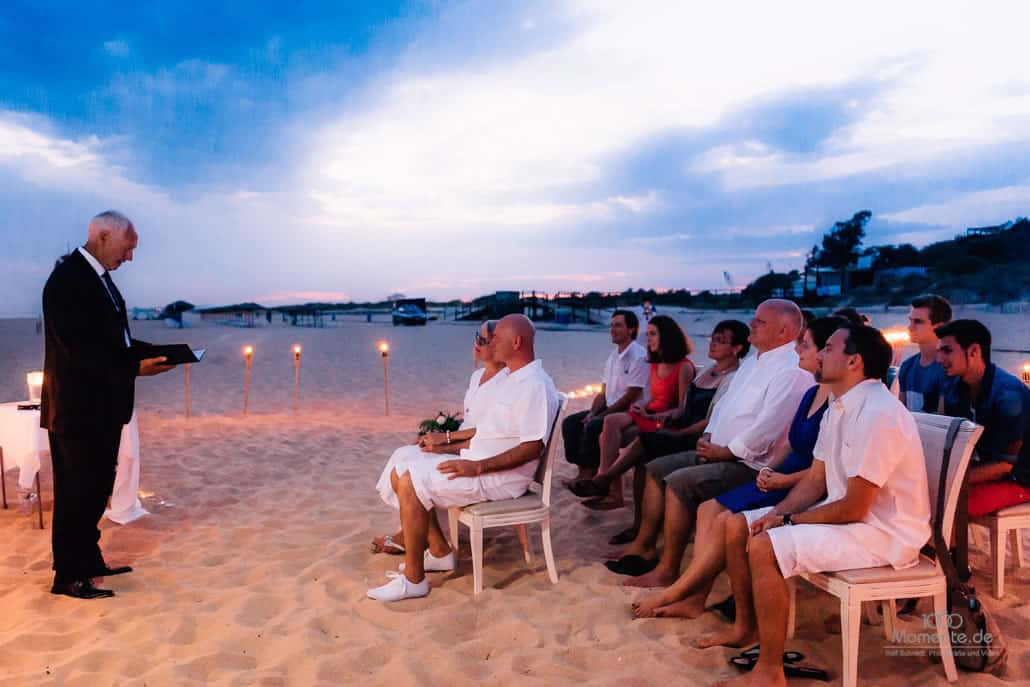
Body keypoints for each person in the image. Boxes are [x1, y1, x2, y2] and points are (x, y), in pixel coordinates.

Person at [704, 325, 930, 687]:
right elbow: (815, 481)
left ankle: (770, 671)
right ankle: (745, 627)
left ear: (854, 361)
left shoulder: (877, 413)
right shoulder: (839, 407)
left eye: (827, 348)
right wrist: (776, 515)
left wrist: (790, 521)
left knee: (765, 546)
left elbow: (855, 506)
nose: (819, 355)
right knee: (740, 525)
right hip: (853, 520)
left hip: (884, 532)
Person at [630, 317, 842, 618]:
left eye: (804, 344)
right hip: (774, 471)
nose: (798, 350)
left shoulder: (815, 390)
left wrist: (770, 473)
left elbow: (821, 467)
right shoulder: (809, 392)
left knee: (717, 511)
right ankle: (693, 596)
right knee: (706, 508)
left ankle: (682, 590)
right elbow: (785, 443)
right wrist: (767, 468)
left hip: (792, 481)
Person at [606, 300, 811, 581]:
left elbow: (767, 428)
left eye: (760, 322)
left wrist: (725, 452)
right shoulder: (753, 362)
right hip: (718, 449)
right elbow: (725, 405)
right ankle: (643, 548)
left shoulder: (790, 371)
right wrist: (708, 436)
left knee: (679, 482)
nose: (752, 324)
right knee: (655, 468)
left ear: (784, 330)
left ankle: (668, 569)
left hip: (750, 463)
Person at [368, 314, 559, 602]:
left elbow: (532, 448)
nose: (491, 343)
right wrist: (451, 444)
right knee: (404, 460)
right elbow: (489, 431)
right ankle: (440, 552)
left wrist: (476, 466)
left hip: (500, 476)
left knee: (410, 480)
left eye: (496, 338)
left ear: (517, 342)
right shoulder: (513, 379)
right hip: (480, 459)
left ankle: (414, 580)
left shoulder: (534, 385)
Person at [41, 211, 175, 600]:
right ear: (102, 235)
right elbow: (79, 348)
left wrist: (159, 354)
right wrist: (133, 366)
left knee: (96, 489)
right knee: (75, 494)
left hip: (101, 408)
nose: (130, 257)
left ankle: (89, 560)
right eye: (127, 247)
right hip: (77, 408)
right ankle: (68, 575)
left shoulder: (101, 281)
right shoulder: (67, 280)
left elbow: (116, 340)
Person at [569, 320, 748, 533]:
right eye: (712, 338)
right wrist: (661, 418)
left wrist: (679, 431)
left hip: (696, 436)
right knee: (637, 442)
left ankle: (606, 482)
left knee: (644, 442)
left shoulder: (733, 378)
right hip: (679, 427)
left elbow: (712, 421)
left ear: (737, 348)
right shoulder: (706, 372)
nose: (712, 344)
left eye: (720, 341)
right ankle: (627, 510)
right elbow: (682, 408)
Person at [372, 320, 507, 554]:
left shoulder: (508, 381)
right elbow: (470, 420)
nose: (476, 343)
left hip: (478, 451)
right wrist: (439, 437)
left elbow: (492, 430)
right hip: (463, 443)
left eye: (482, 340)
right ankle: (431, 539)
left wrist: (446, 440)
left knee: (409, 471)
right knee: (403, 454)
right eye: (477, 336)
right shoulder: (477, 376)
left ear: (499, 345)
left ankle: (416, 537)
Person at [583, 315, 695, 510]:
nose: (648, 339)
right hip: (648, 412)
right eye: (647, 334)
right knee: (610, 420)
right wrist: (644, 408)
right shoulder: (655, 363)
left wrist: (653, 415)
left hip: (664, 419)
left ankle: (607, 486)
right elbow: (654, 397)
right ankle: (604, 481)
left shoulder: (683, 367)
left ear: (667, 336)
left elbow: (682, 408)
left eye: (652, 334)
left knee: (605, 437)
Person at [936, 320, 1030, 519]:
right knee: (928, 495)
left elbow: (1005, 465)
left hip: (1020, 477)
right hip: (988, 470)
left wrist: (951, 479)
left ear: (974, 351)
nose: (939, 358)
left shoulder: (1009, 396)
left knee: (950, 504)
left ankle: (951, 550)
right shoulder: (955, 388)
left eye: (947, 350)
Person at [562, 310, 647, 482]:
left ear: (631, 330)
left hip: (630, 412)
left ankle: (590, 476)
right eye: (611, 325)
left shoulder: (639, 356)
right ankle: (584, 471)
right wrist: (593, 412)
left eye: (618, 325)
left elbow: (630, 396)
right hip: (610, 407)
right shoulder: (613, 357)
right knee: (570, 423)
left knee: (593, 426)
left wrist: (599, 416)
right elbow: (603, 392)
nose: (612, 329)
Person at [898, 294, 952, 412]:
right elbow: (900, 417)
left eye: (918, 322)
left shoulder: (949, 368)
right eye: (910, 320)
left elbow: (943, 423)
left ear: (939, 327)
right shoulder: (907, 366)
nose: (910, 327)